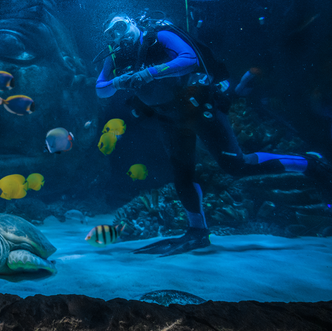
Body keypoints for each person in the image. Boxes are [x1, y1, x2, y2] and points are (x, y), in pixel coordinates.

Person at [95, 14, 329, 256]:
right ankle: (197, 232)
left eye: (120, 27)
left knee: (236, 165)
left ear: (132, 23)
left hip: (197, 105)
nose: (118, 35)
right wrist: (118, 82)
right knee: (182, 174)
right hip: (167, 117)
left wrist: (150, 73)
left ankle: (309, 164)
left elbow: (189, 59)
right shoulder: (115, 56)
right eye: (111, 34)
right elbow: (100, 89)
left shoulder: (158, 36)